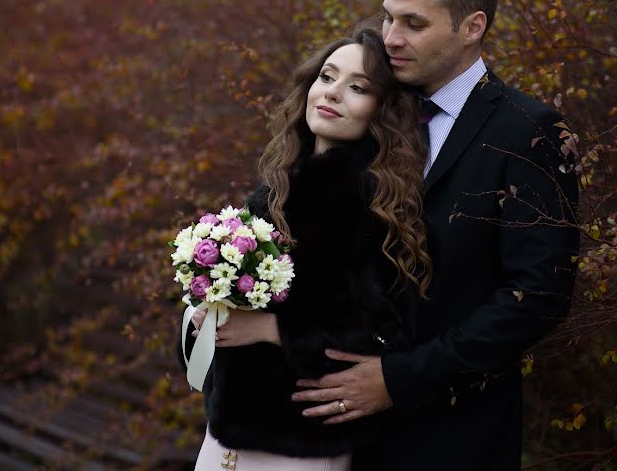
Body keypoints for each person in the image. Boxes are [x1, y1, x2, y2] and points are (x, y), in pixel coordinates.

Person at [291, 0, 580, 469]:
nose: (391, 38)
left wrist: (399, 380)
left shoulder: (528, 131)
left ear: (471, 27)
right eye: (388, 18)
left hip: (454, 436)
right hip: (341, 437)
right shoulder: (372, 110)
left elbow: (539, 294)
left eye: (413, 24)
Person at [182, 27, 432, 470]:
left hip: (300, 446)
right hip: (225, 439)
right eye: (328, 76)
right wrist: (210, 315)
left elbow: (386, 337)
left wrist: (270, 331)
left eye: (357, 87)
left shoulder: (372, 206)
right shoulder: (277, 187)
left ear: (382, 111)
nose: (333, 93)